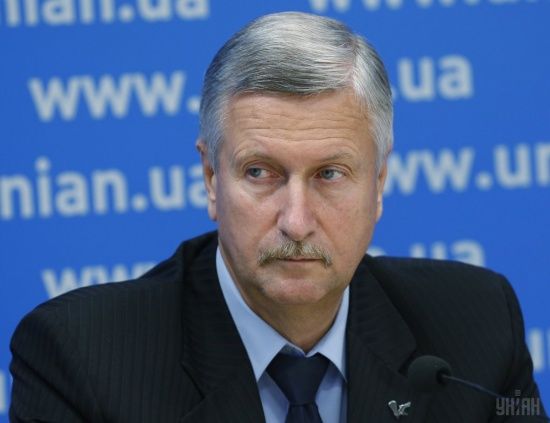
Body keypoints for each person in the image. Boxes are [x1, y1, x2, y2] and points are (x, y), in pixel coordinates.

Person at [9, 11, 546, 423]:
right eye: (261, 173)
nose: (296, 220)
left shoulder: (478, 329)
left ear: (379, 183)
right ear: (211, 179)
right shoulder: (79, 359)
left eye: (330, 174)